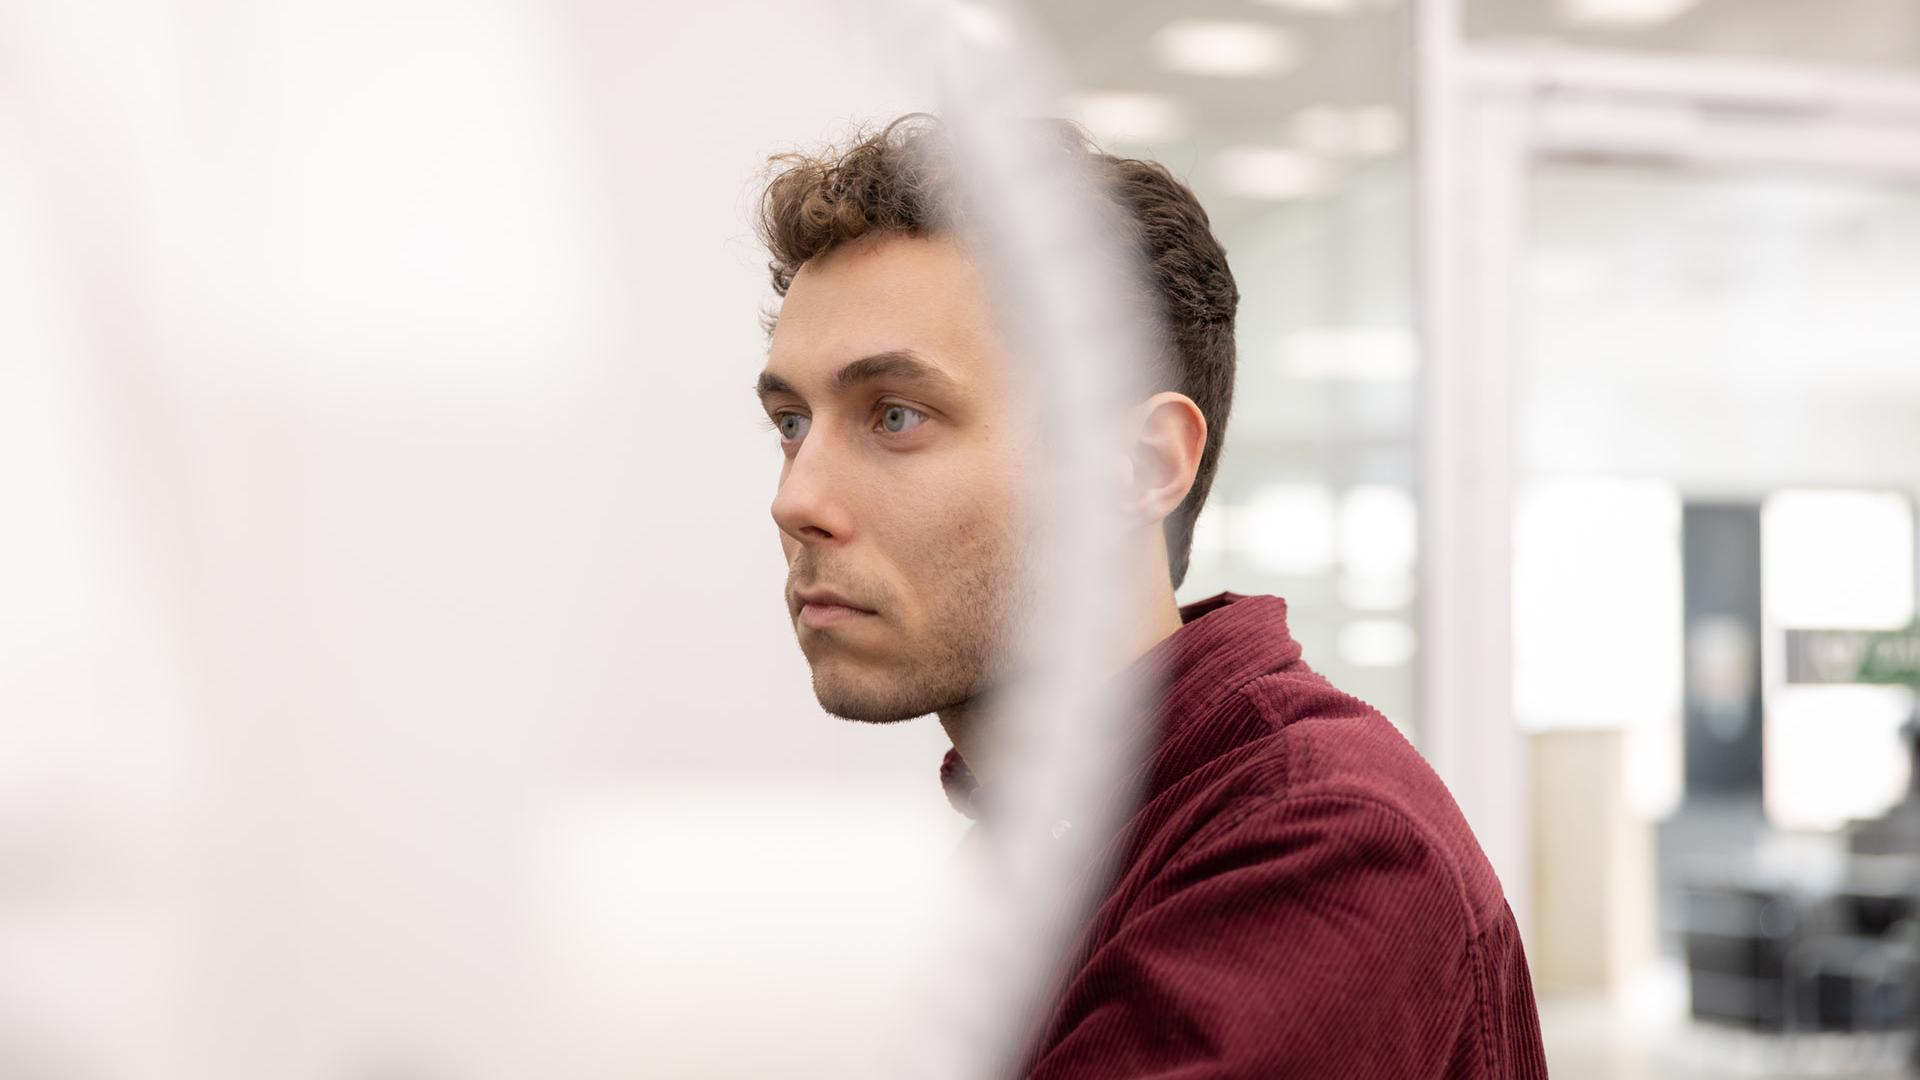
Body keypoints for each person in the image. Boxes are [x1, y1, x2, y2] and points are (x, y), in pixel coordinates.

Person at [750, 113, 1548, 1078]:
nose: (797, 499)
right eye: (792, 421)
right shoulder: (1042, 848)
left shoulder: (1320, 848)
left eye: (896, 415)